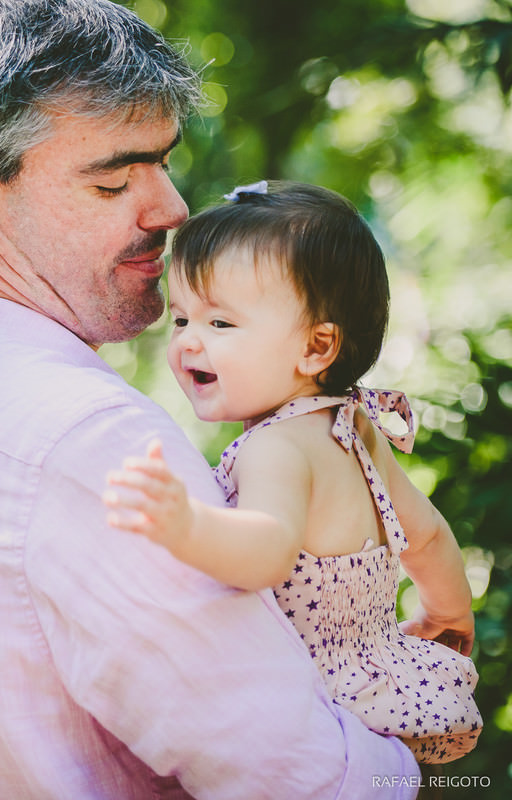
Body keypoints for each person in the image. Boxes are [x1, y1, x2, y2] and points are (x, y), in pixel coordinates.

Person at [0, 1, 421, 798]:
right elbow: (305, 780)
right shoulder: (90, 437)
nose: (172, 209)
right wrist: (413, 763)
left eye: (164, 163)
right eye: (114, 178)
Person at [104, 181, 481, 764]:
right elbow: (426, 536)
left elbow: (269, 550)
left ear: (316, 346)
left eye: (221, 325)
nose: (188, 344)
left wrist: (187, 526)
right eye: (182, 320)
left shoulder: (274, 448)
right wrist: (447, 614)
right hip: (384, 694)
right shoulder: (357, 430)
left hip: (316, 704)